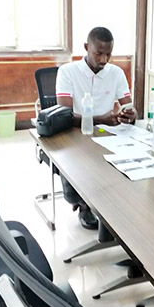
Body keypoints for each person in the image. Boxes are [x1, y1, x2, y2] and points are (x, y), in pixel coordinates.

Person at [55, 27, 136, 229]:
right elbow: (64, 115)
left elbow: (128, 105)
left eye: (108, 54)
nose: (103, 60)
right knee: (75, 161)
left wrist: (130, 114)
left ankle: (114, 203)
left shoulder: (116, 73)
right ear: (86, 48)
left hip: (108, 133)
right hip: (73, 134)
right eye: (98, 53)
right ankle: (83, 204)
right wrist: (101, 119)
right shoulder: (67, 72)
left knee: (129, 160)